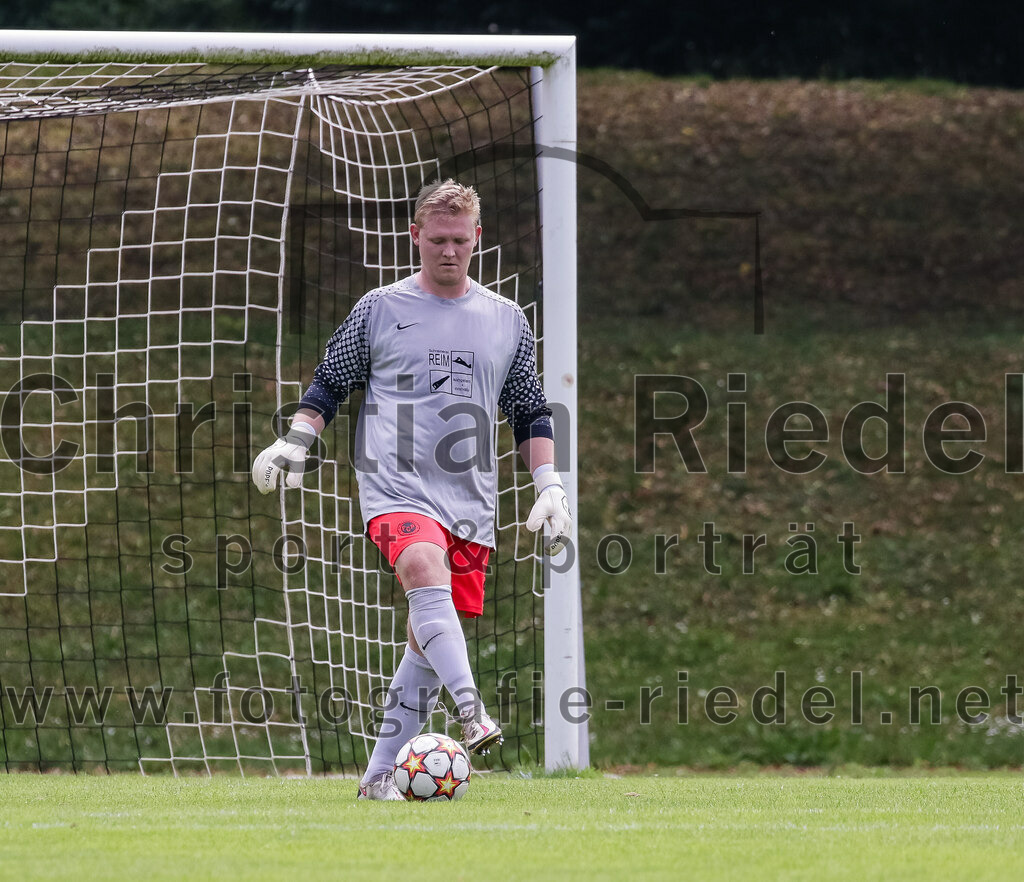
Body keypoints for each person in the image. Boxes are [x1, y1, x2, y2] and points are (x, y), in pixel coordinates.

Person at [251, 179, 572, 800]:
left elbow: (530, 410)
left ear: (477, 238)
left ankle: (377, 778)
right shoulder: (379, 308)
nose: (449, 251)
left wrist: (549, 483)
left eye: (460, 241)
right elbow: (331, 380)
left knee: (425, 644)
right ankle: (471, 711)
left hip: (471, 501)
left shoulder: (507, 319)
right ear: (415, 237)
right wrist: (296, 439)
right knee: (422, 567)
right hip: (394, 485)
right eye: (437, 240)